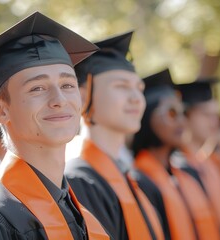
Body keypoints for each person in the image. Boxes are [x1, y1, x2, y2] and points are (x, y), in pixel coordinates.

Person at [0, 12, 109, 239]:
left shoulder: (78, 211)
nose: (59, 99)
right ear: (1, 111)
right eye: (37, 88)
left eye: (68, 84)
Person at [64, 31, 164, 240]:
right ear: (82, 97)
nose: (137, 98)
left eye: (139, 88)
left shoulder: (132, 177)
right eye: (121, 86)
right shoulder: (79, 181)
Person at [131, 69, 220, 240]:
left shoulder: (187, 175)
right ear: (147, 117)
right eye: (172, 113)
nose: (182, 121)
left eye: (183, 113)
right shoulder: (139, 180)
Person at [174, 79, 220, 238]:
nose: (215, 122)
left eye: (216, 115)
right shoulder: (175, 168)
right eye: (206, 114)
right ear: (186, 116)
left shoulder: (212, 166)